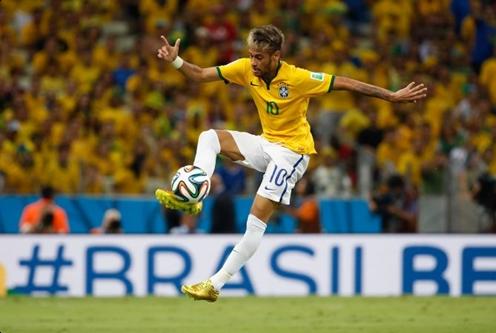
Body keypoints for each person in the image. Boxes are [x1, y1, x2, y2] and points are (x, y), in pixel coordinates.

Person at [155, 24, 427, 302]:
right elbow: (200, 74)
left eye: (259, 57)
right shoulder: (245, 69)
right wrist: (175, 60)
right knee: (209, 137)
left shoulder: (298, 77)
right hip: (266, 143)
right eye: (251, 55)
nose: (253, 62)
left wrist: (391, 96)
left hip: (292, 153)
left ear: (276, 56)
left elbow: (346, 82)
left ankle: (215, 284)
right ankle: (195, 194)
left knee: (255, 218)